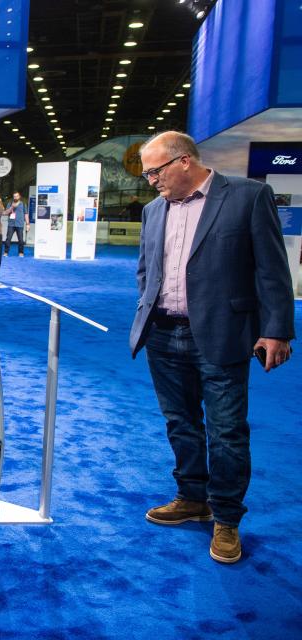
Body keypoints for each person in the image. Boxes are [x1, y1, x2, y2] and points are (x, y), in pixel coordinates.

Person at [129, 131, 295, 564]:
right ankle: (191, 496)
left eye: (154, 171)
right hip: (163, 334)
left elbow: (272, 270)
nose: (150, 181)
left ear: (184, 161)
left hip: (223, 333)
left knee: (226, 432)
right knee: (180, 423)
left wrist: (277, 330)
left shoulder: (247, 196)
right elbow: (146, 270)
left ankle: (226, 518)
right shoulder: (153, 210)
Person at [4, 191, 29, 256]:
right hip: (11, 224)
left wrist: (28, 224)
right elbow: (6, 213)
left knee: (20, 240)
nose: (15, 197)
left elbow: (26, 214)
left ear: (19, 197)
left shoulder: (23, 204)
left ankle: (21, 252)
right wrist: (11, 207)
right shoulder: (10, 203)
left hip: (20, 224)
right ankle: (6, 252)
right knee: (8, 239)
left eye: (17, 196)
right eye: (14, 196)